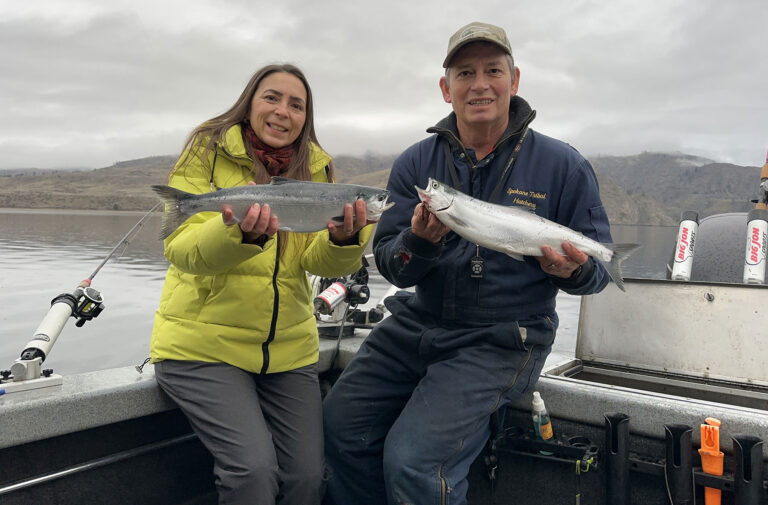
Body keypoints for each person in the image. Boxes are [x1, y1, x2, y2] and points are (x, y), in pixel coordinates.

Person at [323, 22, 613, 505]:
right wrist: (421, 241)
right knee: (339, 424)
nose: (479, 84)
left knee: (415, 461)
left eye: (492, 70)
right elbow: (392, 266)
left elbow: (597, 274)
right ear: (446, 88)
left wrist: (575, 270)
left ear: (514, 80)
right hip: (420, 322)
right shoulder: (417, 163)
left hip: (505, 336)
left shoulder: (564, 166)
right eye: (464, 73)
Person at [150, 63, 373, 505]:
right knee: (252, 474)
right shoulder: (206, 150)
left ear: (305, 118)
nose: (282, 112)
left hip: (288, 350)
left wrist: (345, 241)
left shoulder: (318, 167)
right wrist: (239, 235)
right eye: (271, 98)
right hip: (202, 349)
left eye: (296, 105)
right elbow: (182, 251)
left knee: (309, 479)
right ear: (250, 102)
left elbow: (311, 258)